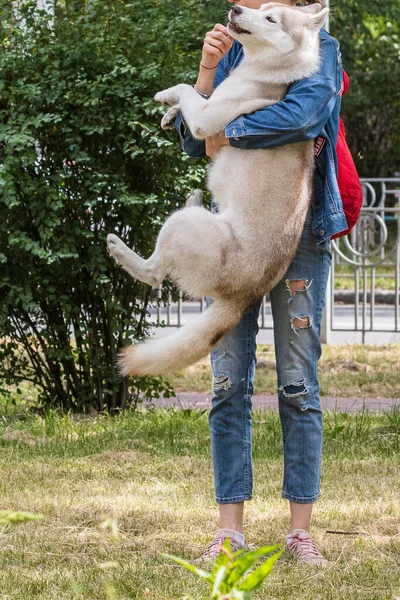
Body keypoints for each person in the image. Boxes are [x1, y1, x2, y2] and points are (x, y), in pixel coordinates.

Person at [174, 0, 348, 565]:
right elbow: (191, 138)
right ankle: (231, 530)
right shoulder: (236, 47)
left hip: (298, 235)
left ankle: (300, 531)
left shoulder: (316, 44)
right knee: (227, 384)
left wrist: (228, 130)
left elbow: (304, 115)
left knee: (298, 385)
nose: (242, 9)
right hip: (236, 233)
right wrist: (205, 73)